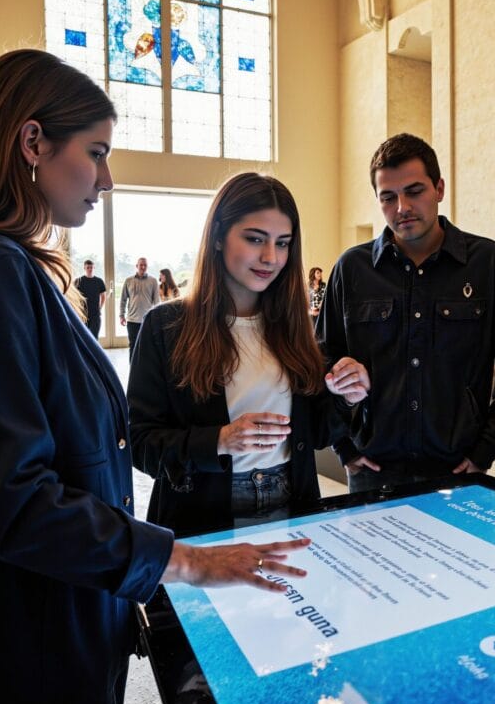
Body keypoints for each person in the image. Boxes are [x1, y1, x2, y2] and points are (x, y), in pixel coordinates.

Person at [0, 49, 311, 704]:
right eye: (95, 152)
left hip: (69, 623)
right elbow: (12, 497)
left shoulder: (14, 268)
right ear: (32, 142)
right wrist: (180, 559)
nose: (107, 179)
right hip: (31, 646)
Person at [128, 172, 370, 536]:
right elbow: (139, 442)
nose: (271, 257)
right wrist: (219, 440)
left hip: (295, 503)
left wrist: (346, 396)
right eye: (255, 239)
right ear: (219, 237)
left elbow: (317, 434)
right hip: (202, 513)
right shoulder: (166, 326)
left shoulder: (293, 325)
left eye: (283, 242)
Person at [316, 133, 495, 494]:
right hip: (372, 471)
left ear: (439, 188)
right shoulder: (351, 269)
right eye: (388, 197)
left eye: (414, 191)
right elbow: (321, 363)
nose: (402, 207)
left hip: (460, 470)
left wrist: (486, 450)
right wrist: (343, 446)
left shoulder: (486, 263)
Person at [119, 255, 159, 359]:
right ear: (136, 266)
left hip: (147, 320)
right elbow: (123, 299)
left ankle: (144, 372)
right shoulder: (128, 281)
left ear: (147, 267)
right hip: (132, 320)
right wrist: (121, 315)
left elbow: (156, 302)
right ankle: (133, 370)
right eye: (141, 265)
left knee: (147, 347)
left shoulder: (153, 281)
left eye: (145, 265)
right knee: (133, 346)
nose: (143, 267)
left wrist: (156, 318)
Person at [75, 258, 107, 337]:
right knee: (83, 337)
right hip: (82, 314)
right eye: (88, 267)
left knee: (94, 337)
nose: (90, 269)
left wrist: (100, 307)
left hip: (95, 314)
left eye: (91, 267)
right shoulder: (78, 281)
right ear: (84, 268)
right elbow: (74, 296)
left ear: (94, 268)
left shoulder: (99, 281)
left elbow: (103, 296)